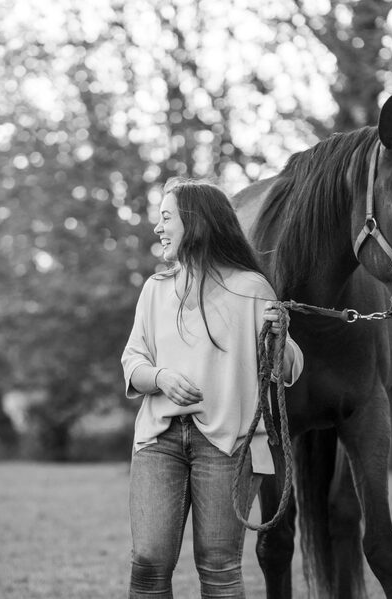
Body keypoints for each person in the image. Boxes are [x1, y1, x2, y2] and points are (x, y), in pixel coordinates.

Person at [120, 178, 303, 598]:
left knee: (219, 566)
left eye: (166, 218)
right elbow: (133, 361)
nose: (158, 228)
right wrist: (161, 378)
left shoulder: (252, 289)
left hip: (228, 445)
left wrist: (280, 337)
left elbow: (287, 369)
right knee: (147, 561)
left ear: (195, 222)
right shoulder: (155, 289)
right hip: (158, 441)